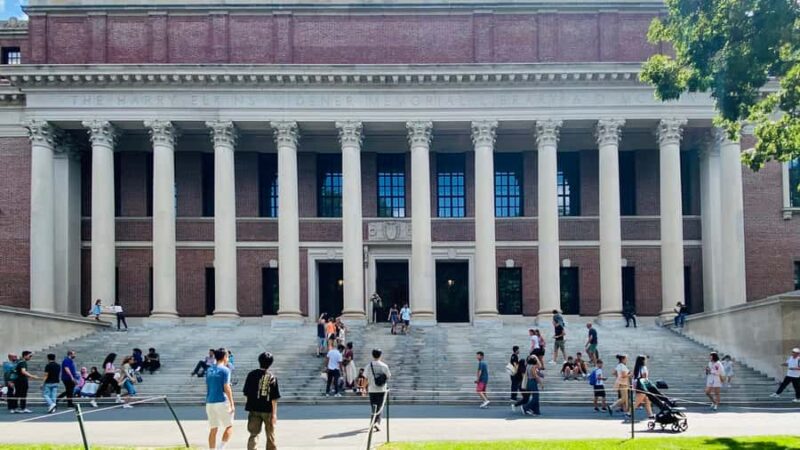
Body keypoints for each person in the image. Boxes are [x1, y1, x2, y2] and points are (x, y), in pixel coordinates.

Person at [243, 352, 281, 450]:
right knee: (270, 435)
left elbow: (246, 393)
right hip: (268, 410)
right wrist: (274, 414)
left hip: (254, 409)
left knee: (254, 434)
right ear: (270, 363)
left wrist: (251, 404)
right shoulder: (272, 377)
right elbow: (274, 398)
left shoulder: (251, 375)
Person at [206, 348, 234, 450]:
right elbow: (227, 387)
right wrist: (232, 403)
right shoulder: (226, 370)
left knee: (213, 429)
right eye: (227, 356)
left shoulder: (209, 370)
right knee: (229, 426)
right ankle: (221, 448)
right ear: (224, 357)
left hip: (210, 402)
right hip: (222, 401)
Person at [366, 348, 391, 432]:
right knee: (380, 407)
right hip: (381, 389)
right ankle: (377, 423)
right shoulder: (384, 365)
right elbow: (388, 376)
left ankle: (373, 422)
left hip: (372, 389)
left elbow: (365, 377)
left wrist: (364, 387)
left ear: (372, 355)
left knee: (373, 407)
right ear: (380, 355)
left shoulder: (369, 366)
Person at [631, 355, 654, 420]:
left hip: (637, 384)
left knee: (647, 400)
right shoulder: (644, 367)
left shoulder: (636, 367)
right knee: (638, 402)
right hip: (642, 385)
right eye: (645, 359)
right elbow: (645, 377)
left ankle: (650, 414)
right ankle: (629, 413)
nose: (646, 361)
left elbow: (634, 377)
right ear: (643, 360)